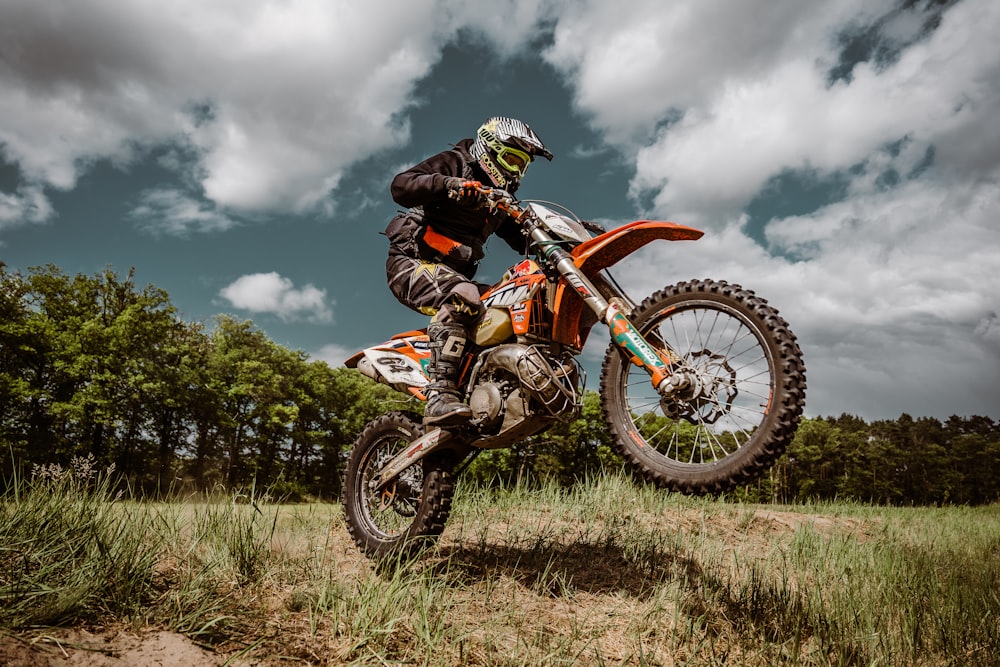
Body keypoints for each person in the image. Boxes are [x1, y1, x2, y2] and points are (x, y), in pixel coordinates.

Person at [384, 116, 553, 427]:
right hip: (410, 264)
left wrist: (568, 237)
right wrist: (448, 185)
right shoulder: (455, 164)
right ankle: (439, 395)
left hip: (456, 278)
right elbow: (401, 185)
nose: (516, 172)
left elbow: (523, 241)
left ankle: (484, 388)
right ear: (491, 149)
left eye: (523, 166)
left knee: (514, 301)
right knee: (465, 295)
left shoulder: (499, 201)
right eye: (512, 160)